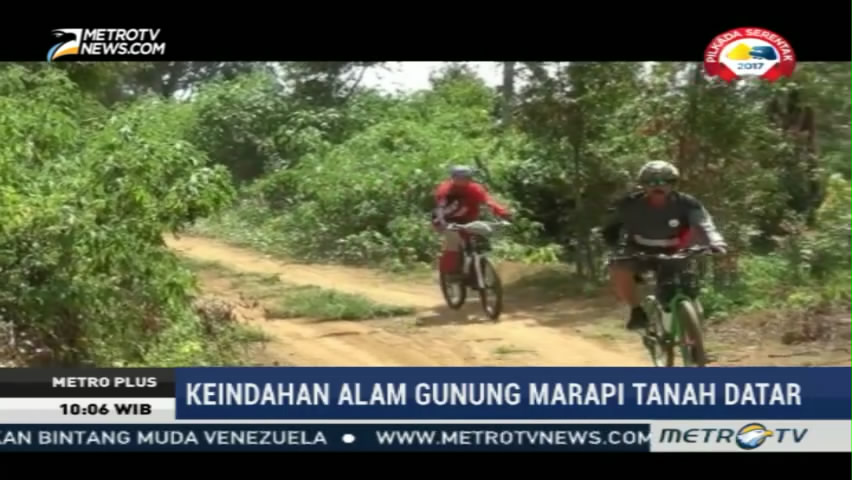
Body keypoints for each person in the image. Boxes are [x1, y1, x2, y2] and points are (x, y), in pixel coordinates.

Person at [601, 160, 727, 330]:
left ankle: (694, 332)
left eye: (664, 182)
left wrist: (716, 242)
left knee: (685, 287)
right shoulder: (628, 205)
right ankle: (637, 311)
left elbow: (704, 224)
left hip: (675, 252)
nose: (658, 187)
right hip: (638, 251)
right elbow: (610, 228)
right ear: (643, 185)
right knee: (618, 267)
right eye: (651, 183)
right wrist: (615, 249)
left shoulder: (687, 203)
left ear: (673, 184)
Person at [432, 166, 511, 278]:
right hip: (446, 220)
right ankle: (449, 273)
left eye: (466, 177)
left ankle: (478, 268)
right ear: (453, 178)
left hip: (468, 219)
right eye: (459, 178)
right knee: (453, 242)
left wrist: (503, 213)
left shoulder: (475, 189)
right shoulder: (445, 191)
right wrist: (443, 224)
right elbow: (440, 209)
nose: (463, 180)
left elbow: (488, 201)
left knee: (481, 238)